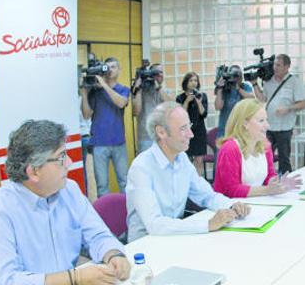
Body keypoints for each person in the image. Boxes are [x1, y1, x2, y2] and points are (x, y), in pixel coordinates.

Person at [0, 120, 130, 285]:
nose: (69, 162)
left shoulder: (69, 190)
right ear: (34, 172)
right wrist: (75, 279)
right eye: (61, 157)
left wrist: (113, 254)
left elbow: (97, 234)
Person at [126, 102, 251, 240]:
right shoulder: (141, 167)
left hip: (175, 237)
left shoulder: (182, 159)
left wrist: (231, 205)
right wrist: (208, 224)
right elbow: (155, 225)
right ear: (161, 132)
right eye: (183, 129)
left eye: (189, 127)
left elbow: (207, 196)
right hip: (145, 245)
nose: (191, 134)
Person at [213, 99, 302, 198]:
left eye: (266, 120)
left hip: (254, 203)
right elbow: (231, 190)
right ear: (245, 124)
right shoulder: (230, 149)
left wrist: (278, 184)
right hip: (229, 208)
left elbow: (269, 176)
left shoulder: (265, 146)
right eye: (261, 121)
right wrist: (267, 190)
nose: (267, 126)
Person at [80, 57, 130, 197]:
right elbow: (86, 115)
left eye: (113, 67)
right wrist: (84, 94)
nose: (110, 70)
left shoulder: (123, 89)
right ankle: (105, 216)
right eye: (107, 67)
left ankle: (127, 214)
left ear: (119, 70)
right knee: (102, 185)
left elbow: (121, 103)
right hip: (99, 144)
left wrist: (103, 84)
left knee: (124, 182)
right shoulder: (95, 92)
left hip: (118, 142)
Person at [252, 54, 305, 174]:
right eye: (274, 65)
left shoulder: (294, 82)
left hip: (284, 128)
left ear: (287, 67)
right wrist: (254, 84)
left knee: (284, 159)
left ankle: (286, 184)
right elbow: (262, 98)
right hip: (269, 126)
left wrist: (288, 108)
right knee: (265, 156)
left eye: (278, 65)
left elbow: (303, 104)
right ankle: (267, 181)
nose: (275, 67)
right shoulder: (268, 81)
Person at [133, 63, 174, 154]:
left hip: (164, 137)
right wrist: (138, 90)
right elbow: (135, 112)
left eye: (161, 72)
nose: (160, 75)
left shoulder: (166, 91)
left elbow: (171, 107)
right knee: (147, 168)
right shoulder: (141, 92)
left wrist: (158, 87)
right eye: (156, 73)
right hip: (146, 138)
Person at [175, 72, 209, 172]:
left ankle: (198, 184)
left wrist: (198, 101)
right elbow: (180, 115)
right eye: (191, 80)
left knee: (199, 161)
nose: (194, 83)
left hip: (199, 132)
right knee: (186, 160)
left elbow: (204, 114)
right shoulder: (180, 98)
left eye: (195, 80)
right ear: (186, 83)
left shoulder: (202, 96)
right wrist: (187, 101)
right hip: (185, 132)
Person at [214, 65, 254, 140]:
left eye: (238, 75)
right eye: (234, 75)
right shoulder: (224, 88)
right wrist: (219, 88)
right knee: (223, 151)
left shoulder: (245, 87)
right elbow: (218, 107)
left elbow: (251, 99)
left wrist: (238, 88)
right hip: (225, 130)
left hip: (242, 130)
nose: (236, 78)